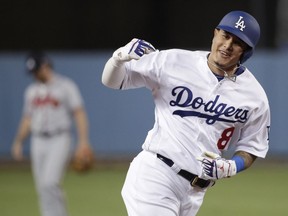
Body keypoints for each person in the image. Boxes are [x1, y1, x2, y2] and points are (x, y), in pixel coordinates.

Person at [101, 10, 271, 216]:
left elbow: (253, 146)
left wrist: (232, 166)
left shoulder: (255, 96)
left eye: (237, 42)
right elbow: (113, 81)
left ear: (246, 51)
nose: (227, 45)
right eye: (225, 36)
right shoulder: (174, 61)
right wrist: (118, 59)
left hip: (195, 192)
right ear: (215, 33)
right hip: (157, 174)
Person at [11, 52, 93, 216]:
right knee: (42, 187)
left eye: (36, 70)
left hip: (60, 138)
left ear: (45, 66)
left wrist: (83, 141)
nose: (34, 74)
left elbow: (79, 113)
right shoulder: (31, 91)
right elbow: (27, 119)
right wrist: (18, 141)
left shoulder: (65, 86)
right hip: (37, 140)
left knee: (50, 183)